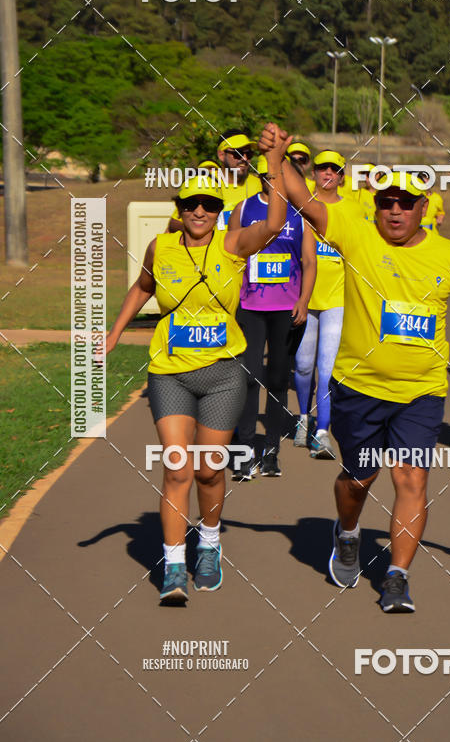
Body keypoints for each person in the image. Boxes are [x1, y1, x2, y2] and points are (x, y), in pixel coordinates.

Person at [271, 129, 450, 614]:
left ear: (423, 208)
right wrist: (278, 155)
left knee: (411, 480)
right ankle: (348, 532)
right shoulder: (356, 233)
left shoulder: (449, 257)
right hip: (359, 388)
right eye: (386, 202)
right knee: (359, 479)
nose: (394, 211)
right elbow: (303, 199)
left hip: (421, 393)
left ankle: (397, 576)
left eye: (405, 203)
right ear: (375, 206)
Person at [104, 127, 290, 604]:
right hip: (170, 372)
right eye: (191, 205)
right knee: (176, 468)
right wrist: (115, 331)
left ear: (218, 209)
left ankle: (208, 543)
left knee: (208, 470)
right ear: (179, 209)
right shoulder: (161, 247)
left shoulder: (233, 244)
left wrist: (273, 163)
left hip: (223, 374)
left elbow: (274, 222)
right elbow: (143, 287)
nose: (200, 212)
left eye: (208, 205)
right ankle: (173, 566)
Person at [230, 155, 316, 478]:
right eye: (268, 175)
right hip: (250, 306)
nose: (273, 180)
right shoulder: (243, 209)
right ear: (260, 177)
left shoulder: (300, 214)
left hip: (286, 309)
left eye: (279, 175)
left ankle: (271, 453)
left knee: (278, 380)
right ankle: (245, 451)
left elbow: (310, 261)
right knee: (249, 377)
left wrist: (304, 301)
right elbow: (231, 254)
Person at [293, 152, 361, 457]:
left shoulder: (354, 208)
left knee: (328, 368)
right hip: (305, 297)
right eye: (323, 168)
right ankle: (303, 418)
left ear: (342, 176)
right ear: (314, 173)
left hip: (337, 298)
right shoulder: (302, 205)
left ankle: (322, 431)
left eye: (335, 169)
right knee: (303, 365)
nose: (328, 173)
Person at [168, 132, 261, 234]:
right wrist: (204, 234)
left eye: (249, 154)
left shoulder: (259, 184)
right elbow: (175, 223)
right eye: (238, 154)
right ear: (221, 155)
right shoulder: (204, 180)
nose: (244, 159)